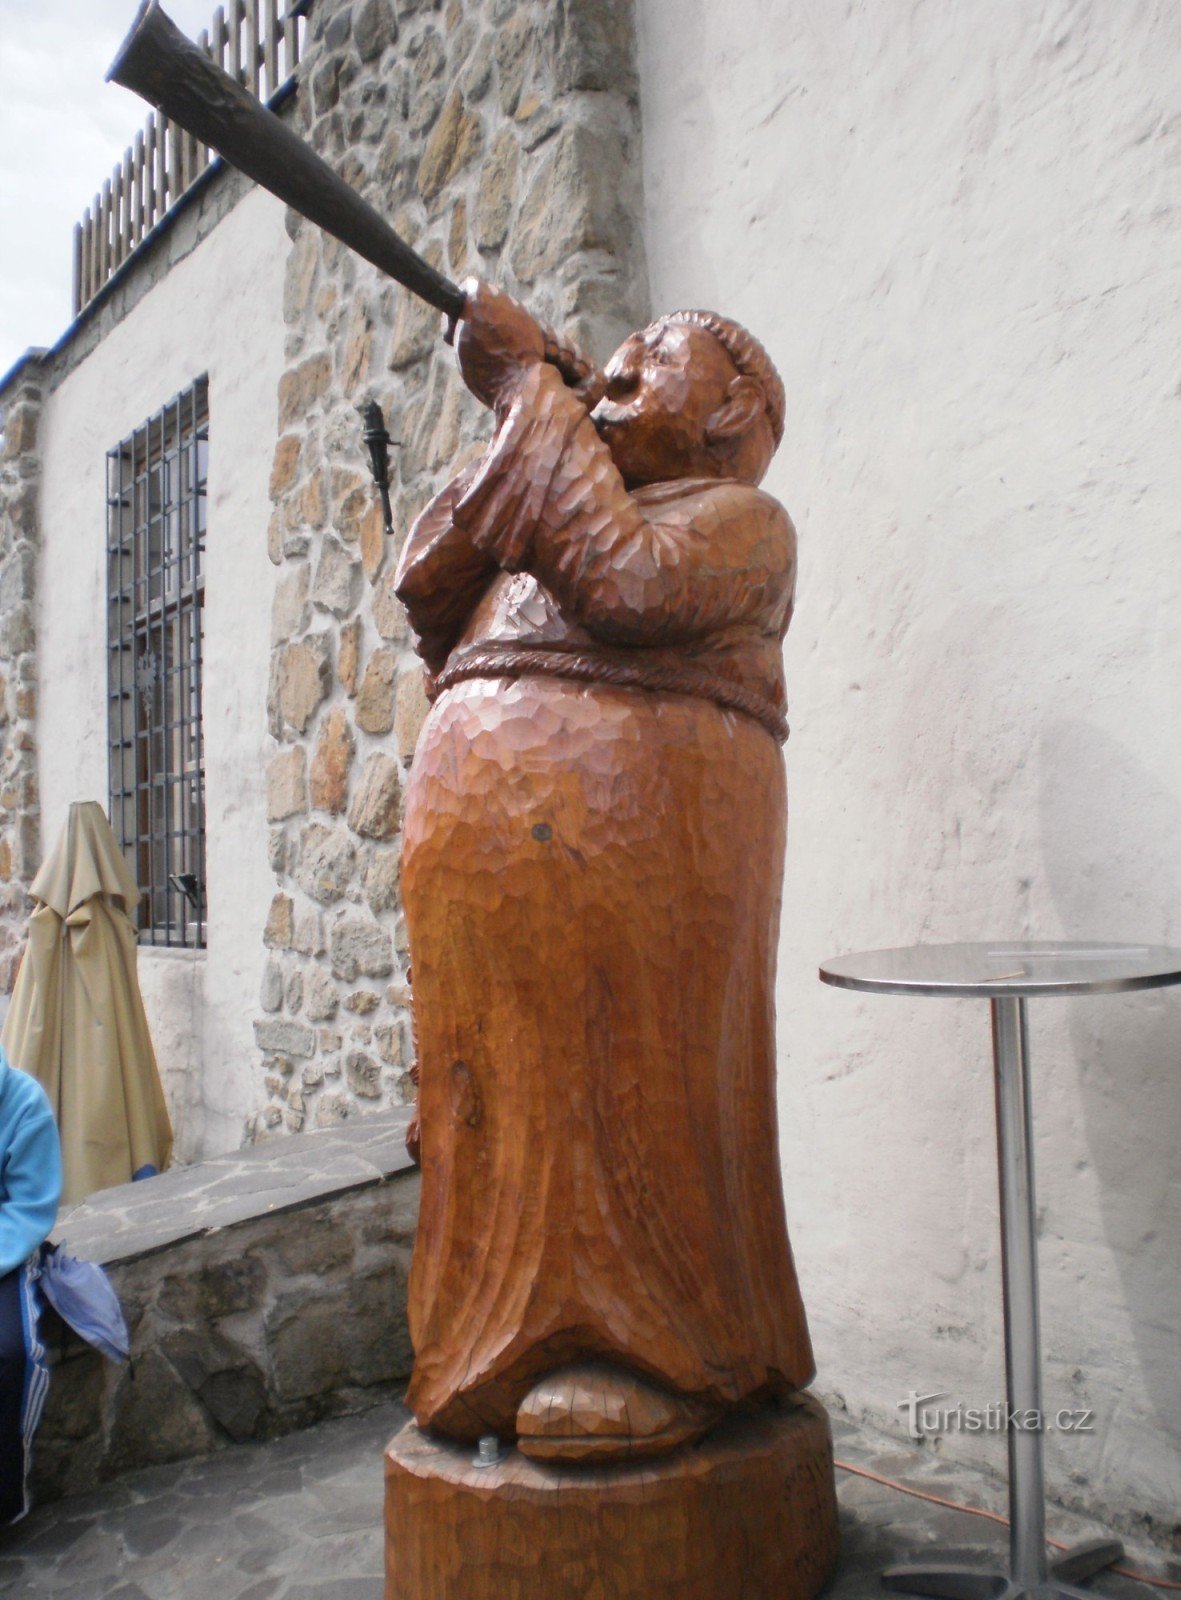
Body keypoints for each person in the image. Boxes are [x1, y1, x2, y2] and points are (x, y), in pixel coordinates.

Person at [394, 280, 814, 1462]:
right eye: (611, 357)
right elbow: (427, 585)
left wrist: (537, 392)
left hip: (646, 866)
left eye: (655, 361)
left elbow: (629, 585)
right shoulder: (559, 480)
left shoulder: (742, 521)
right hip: (494, 888)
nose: (619, 365)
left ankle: (668, 1351)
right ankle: (492, 1344)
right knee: (501, 1100)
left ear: (734, 418)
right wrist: (533, 415)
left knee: (633, 1090)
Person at [0, 1042, 61, 1522]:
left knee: (12, 1352)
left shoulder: (24, 1103)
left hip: (8, 1254)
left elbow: (29, 1209)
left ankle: (3, 1495)